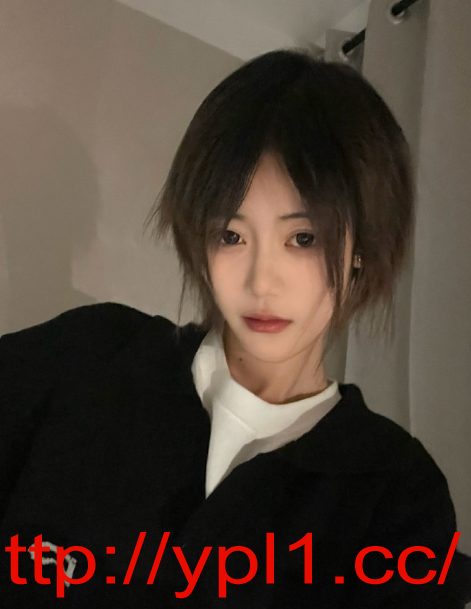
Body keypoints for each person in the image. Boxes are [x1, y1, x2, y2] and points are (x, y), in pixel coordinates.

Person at [1, 48, 470, 608]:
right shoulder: (89, 358)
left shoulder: (393, 492)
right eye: (231, 235)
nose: (261, 281)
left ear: (361, 249)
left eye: (303, 238)